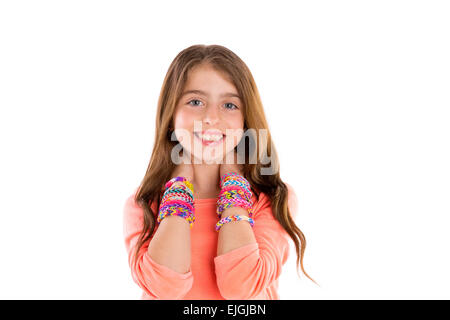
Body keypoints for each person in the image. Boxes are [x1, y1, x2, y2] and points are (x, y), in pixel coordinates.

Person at [123, 44, 315, 300]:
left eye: (229, 105)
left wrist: (234, 184)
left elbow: (241, 288)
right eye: (195, 101)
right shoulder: (145, 204)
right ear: (171, 114)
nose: (211, 117)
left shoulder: (274, 199)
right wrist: (179, 186)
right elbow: (165, 288)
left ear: (246, 119)